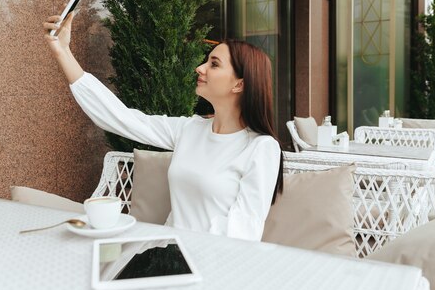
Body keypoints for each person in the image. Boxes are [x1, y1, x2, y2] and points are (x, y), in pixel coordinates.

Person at [42, 13, 283, 241]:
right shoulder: (189, 130)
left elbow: (243, 232)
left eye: (214, 64)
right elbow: (119, 118)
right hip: (166, 253)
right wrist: (63, 52)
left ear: (239, 84)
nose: (200, 68)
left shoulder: (261, 148)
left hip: (210, 266)